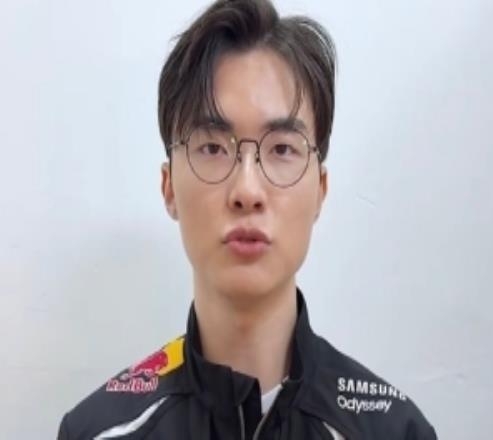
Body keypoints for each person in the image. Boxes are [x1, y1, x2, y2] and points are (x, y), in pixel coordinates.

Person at [58, 0, 437, 438]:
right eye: (213, 148)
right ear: (169, 187)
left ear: (320, 190)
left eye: (282, 149)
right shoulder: (98, 432)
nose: (247, 191)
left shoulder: (393, 430)